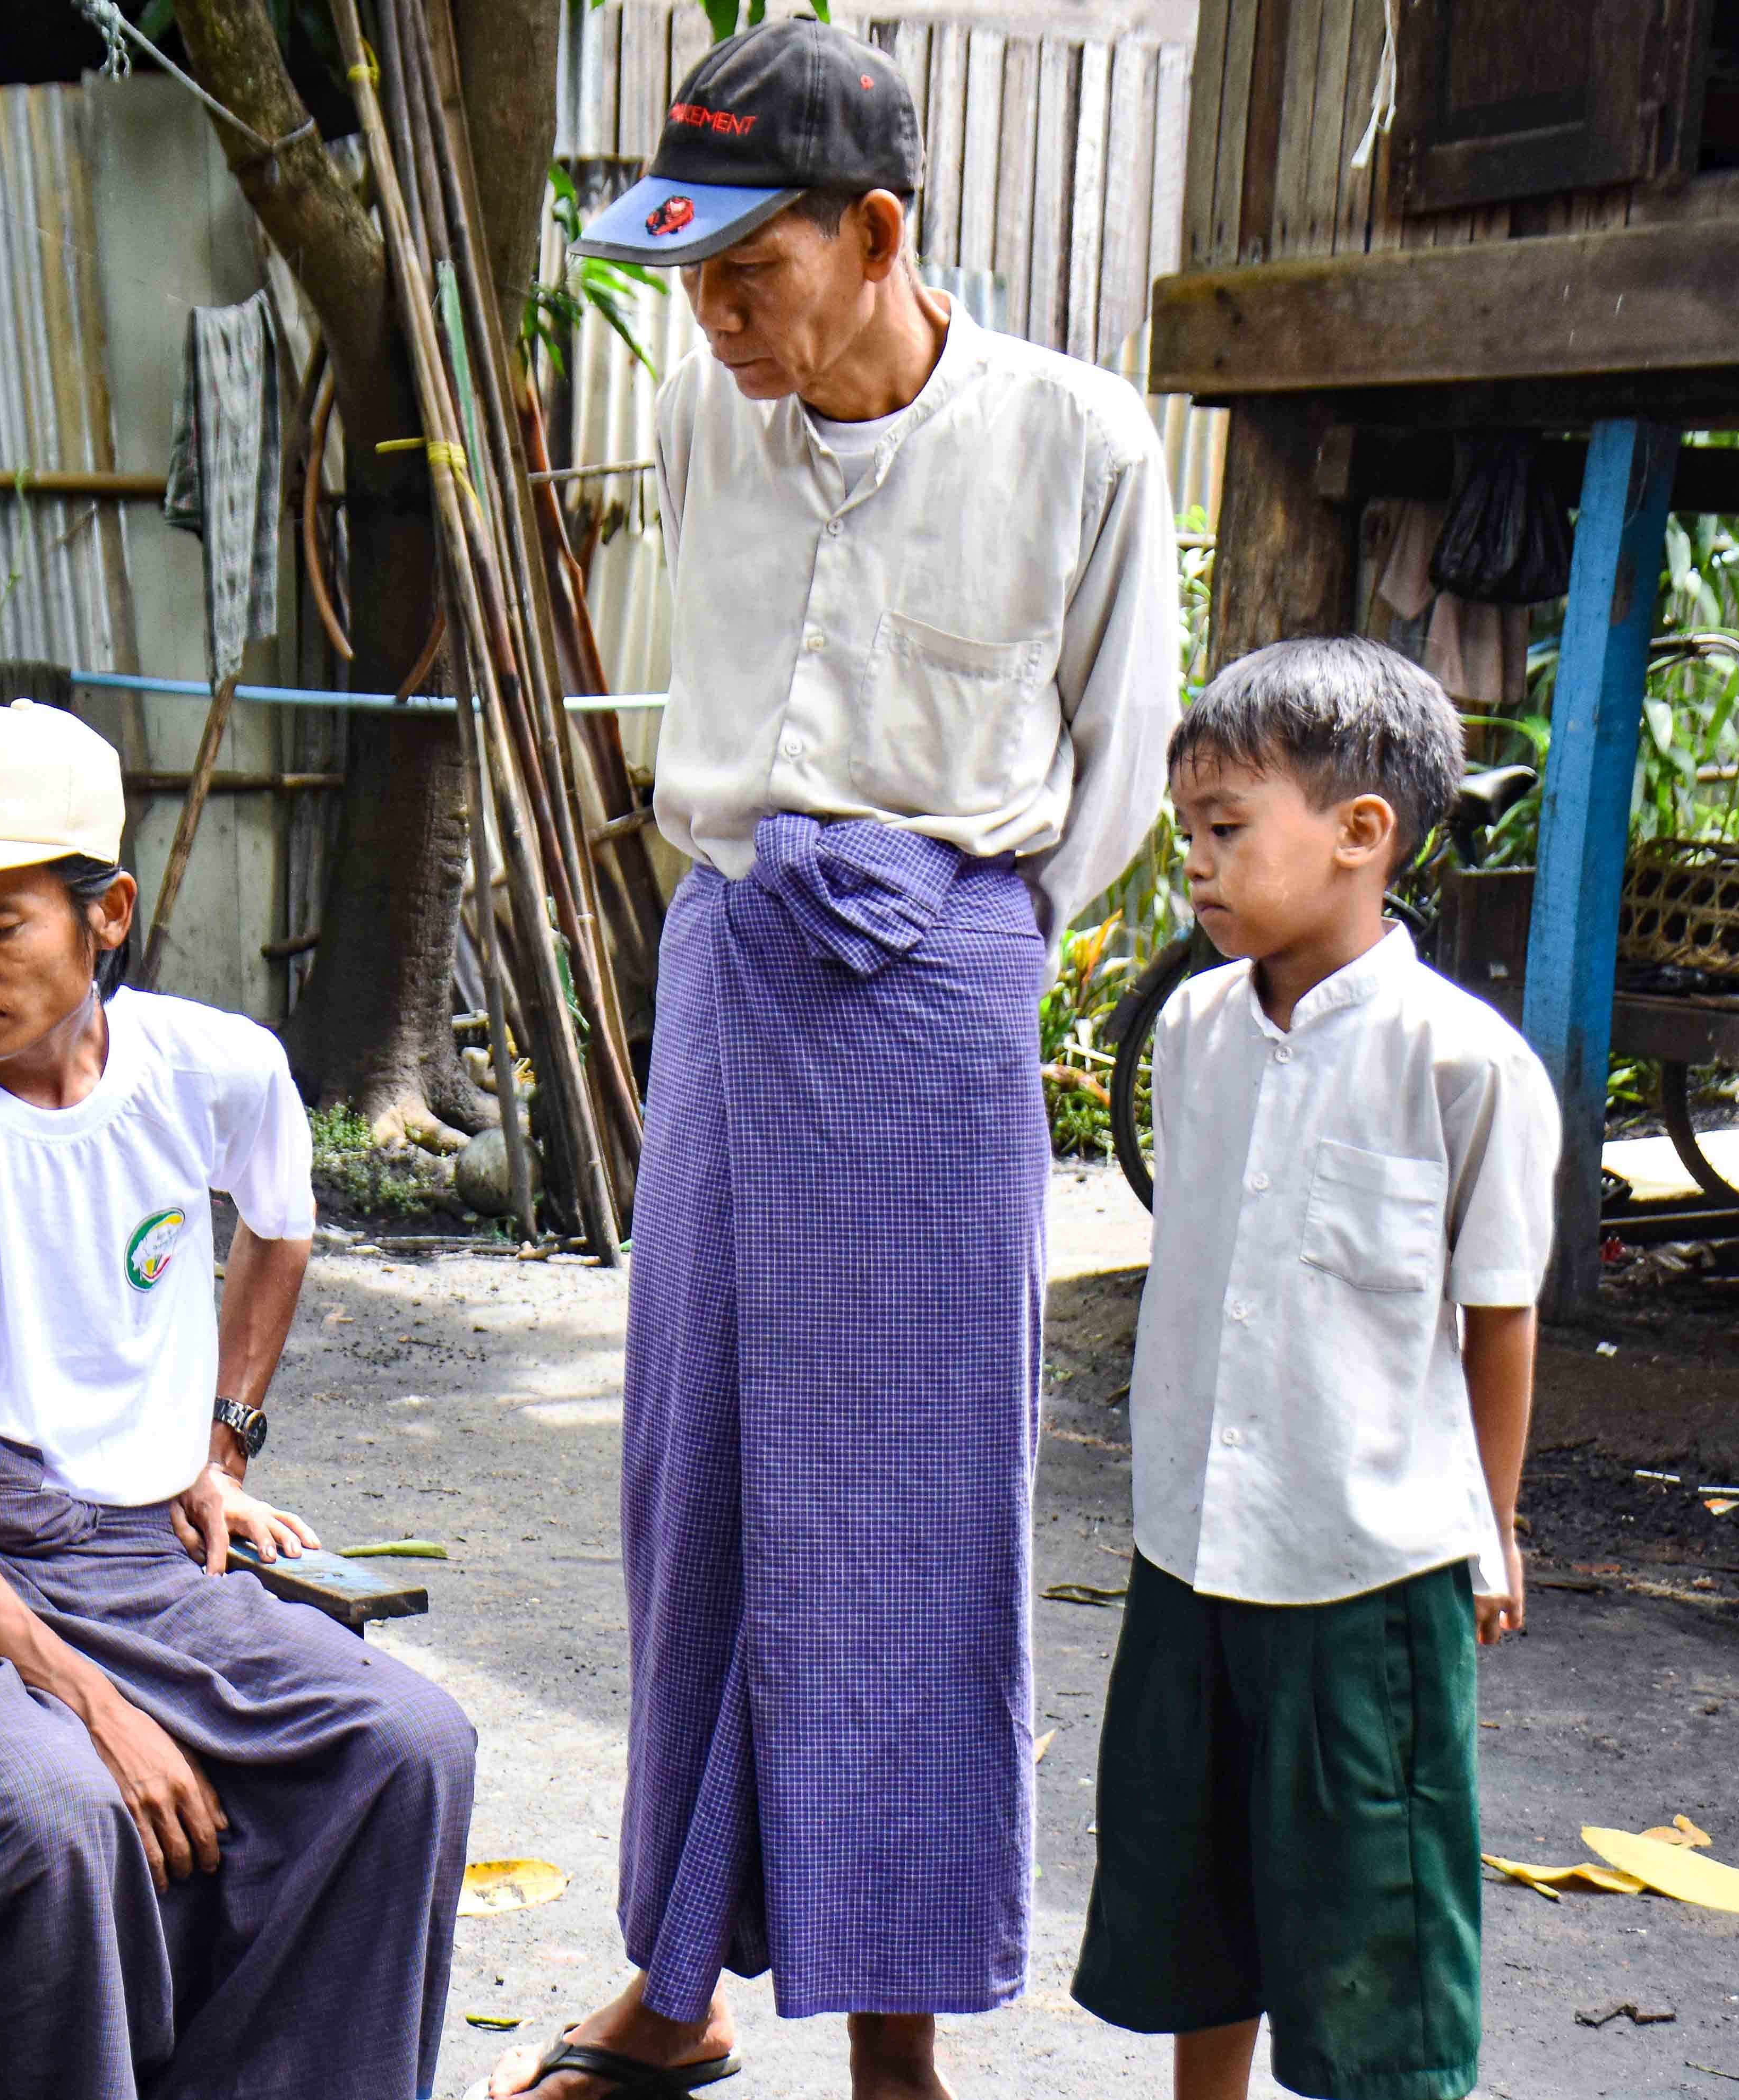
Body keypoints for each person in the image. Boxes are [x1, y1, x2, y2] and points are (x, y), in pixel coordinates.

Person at [495, 19, 1184, 2099]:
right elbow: (707, 729)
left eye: (746, 270)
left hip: (941, 980)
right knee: (690, 1477)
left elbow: (1118, 774)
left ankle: (897, 2035)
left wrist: (958, 947)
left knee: (904, 1513)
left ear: (877, 232)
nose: (703, 316)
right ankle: (682, 1979)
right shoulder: (720, 415)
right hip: (734, 958)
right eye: (680, 269)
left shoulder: (1080, 442)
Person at [0, 699, 477, 2100]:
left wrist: (221, 1440)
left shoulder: (210, 1069)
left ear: (107, 914)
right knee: (60, 1807)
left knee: (406, 1747)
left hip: (143, 1545)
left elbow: (278, 1222)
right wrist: (81, 1694)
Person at [1071, 637, 1555, 2100]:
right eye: (1187, 837)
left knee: (1375, 1917)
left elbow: (1495, 1313)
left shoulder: (1459, 1063)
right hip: (1190, 1547)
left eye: (1227, 832)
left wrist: (1492, 1517)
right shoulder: (1196, 1034)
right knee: (1192, 1888)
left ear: (1361, 834)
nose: (1197, 871)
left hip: (1367, 1569)